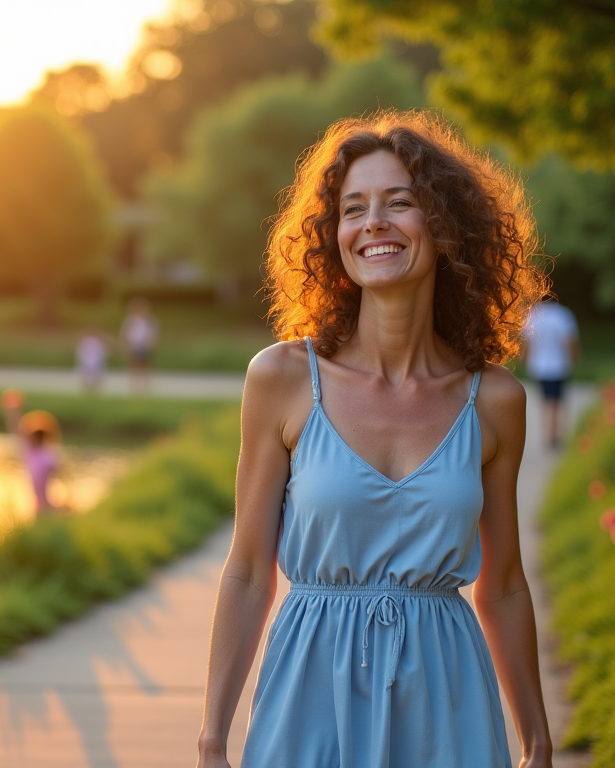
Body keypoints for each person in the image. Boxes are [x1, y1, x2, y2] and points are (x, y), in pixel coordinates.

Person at [197, 112, 552, 768]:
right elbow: (248, 571)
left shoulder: (496, 401)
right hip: (309, 690)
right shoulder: (281, 379)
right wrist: (213, 737)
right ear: (335, 237)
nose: (373, 223)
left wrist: (536, 740)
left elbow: (502, 585)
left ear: (446, 228)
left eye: (399, 203)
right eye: (353, 209)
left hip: (447, 699)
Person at [523, 295, 580, 449]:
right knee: (556, 401)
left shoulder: (533, 315)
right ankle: (553, 435)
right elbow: (570, 340)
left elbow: (527, 343)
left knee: (546, 401)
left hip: (538, 366)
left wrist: (526, 361)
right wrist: (574, 359)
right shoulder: (562, 315)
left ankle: (548, 433)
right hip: (558, 365)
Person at [0, 388, 62, 514]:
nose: (28, 439)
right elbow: (17, 428)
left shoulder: (46, 456)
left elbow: (62, 478)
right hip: (38, 502)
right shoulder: (34, 452)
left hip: (47, 503)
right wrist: (12, 410)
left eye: (31, 437)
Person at [120, 297, 158, 395]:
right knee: (134, 366)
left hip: (145, 346)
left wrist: (150, 344)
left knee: (145, 366)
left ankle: (145, 386)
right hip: (133, 346)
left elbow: (153, 334)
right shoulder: (129, 320)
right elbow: (125, 333)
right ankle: (135, 386)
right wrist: (127, 344)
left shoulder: (150, 320)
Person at [75, 327, 110, 395]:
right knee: (88, 376)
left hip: (94, 360)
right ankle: (89, 390)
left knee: (94, 376)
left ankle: (92, 390)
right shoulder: (86, 340)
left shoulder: (96, 341)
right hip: (89, 360)